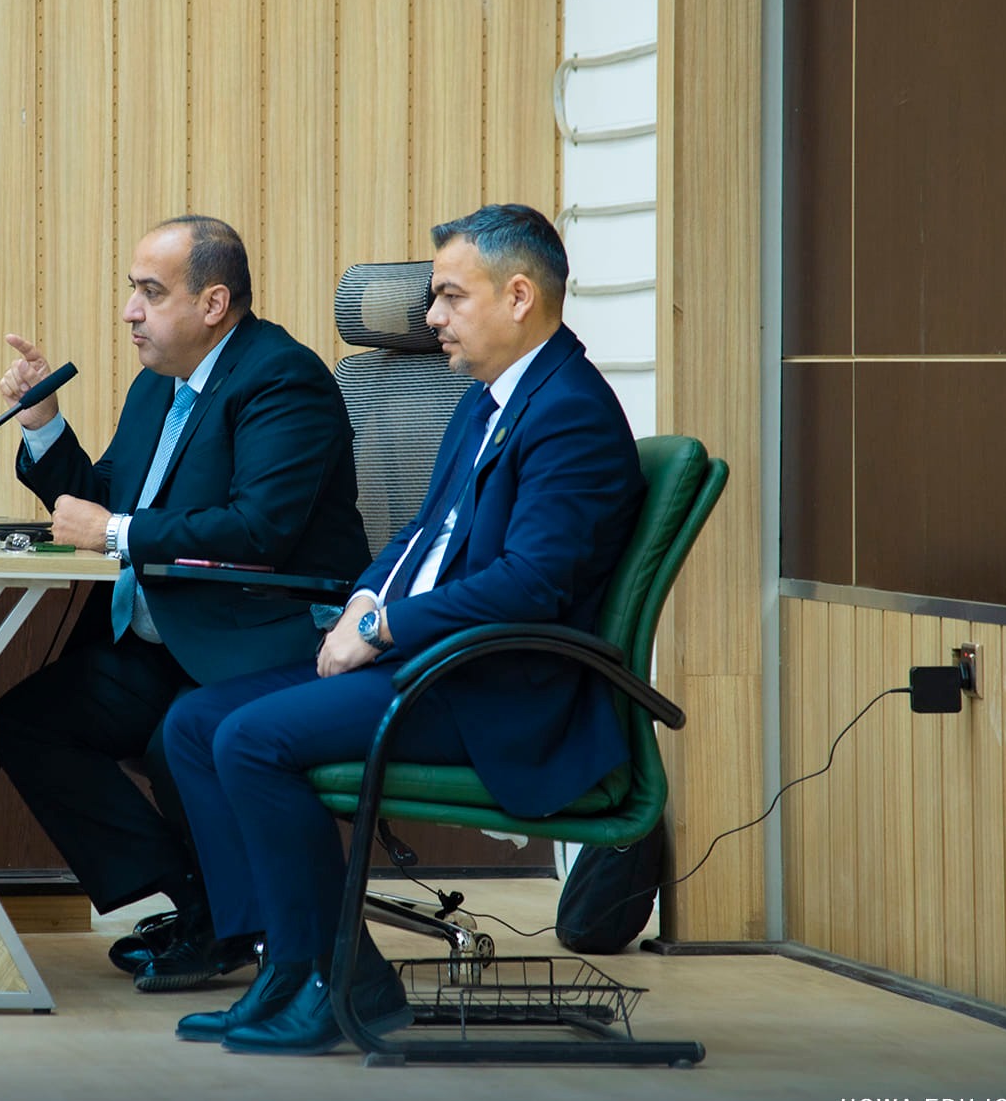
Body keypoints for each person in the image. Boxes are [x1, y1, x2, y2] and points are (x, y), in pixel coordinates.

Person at [159, 204, 646, 1054]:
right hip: (436, 664)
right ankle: (287, 966)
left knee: (251, 741)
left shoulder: (569, 413)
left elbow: (531, 584)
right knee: (194, 724)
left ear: (519, 296)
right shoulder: (489, 398)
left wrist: (385, 630)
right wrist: (364, 599)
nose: (431, 317)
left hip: (493, 690)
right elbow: (425, 533)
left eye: (451, 297)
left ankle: (341, 977)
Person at [0, 214, 369, 993]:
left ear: (213, 303)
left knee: (177, 739)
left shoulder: (282, 381)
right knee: (29, 721)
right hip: (172, 636)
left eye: (152, 292)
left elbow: (258, 529)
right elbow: (107, 501)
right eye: (133, 289)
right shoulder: (158, 385)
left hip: (261, 636)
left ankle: (230, 922)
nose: (130, 310)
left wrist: (114, 530)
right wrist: (43, 426)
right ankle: (199, 903)